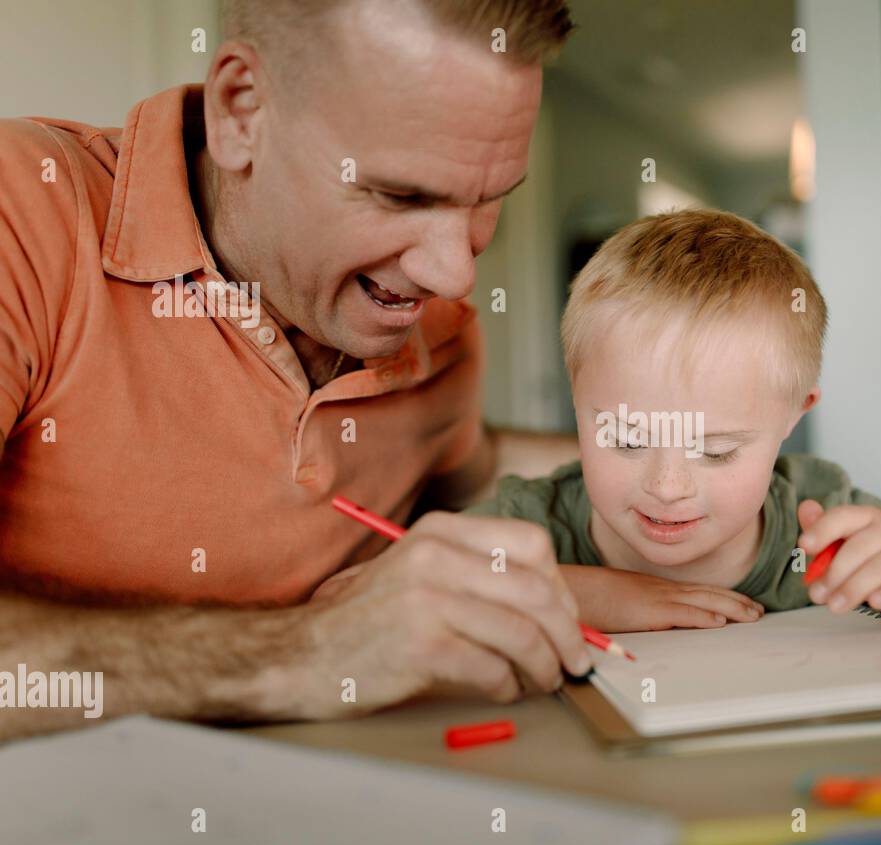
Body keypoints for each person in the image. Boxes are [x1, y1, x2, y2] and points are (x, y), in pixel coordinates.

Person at [0, 0, 597, 741]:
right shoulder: (22, 210)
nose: (454, 275)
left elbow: (478, 466)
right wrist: (310, 651)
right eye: (400, 195)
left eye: (489, 198)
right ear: (242, 112)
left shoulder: (436, 337)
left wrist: (741, 483)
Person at [466, 209, 881, 645]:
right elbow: (399, 589)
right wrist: (578, 594)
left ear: (795, 414)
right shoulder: (533, 523)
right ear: (576, 397)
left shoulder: (819, 523)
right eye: (627, 438)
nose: (667, 486)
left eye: (716, 450)